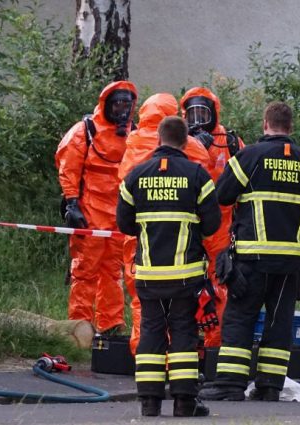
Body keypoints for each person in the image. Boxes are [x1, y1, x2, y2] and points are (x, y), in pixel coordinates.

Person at [199, 101, 300, 402]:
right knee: (279, 322)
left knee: (240, 318)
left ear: (265, 123)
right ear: (290, 126)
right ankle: (270, 386)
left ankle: (230, 385)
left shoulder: (250, 156)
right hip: (290, 261)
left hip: (252, 257)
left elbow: (223, 195)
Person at [116, 116, 221, 417]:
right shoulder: (197, 175)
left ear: (158, 139)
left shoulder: (136, 176)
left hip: (149, 274)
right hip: (186, 275)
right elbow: (213, 224)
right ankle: (184, 403)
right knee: (183, 332)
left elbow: (124, 224)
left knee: (151, 332)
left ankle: (149, 402)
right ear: (186, 141)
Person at [117, 93, 214, 355]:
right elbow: (210, 213)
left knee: (146, 317)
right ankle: (178, 369)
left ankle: (143, 360)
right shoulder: (194, 149)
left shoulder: (133, 142)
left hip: (143, 251)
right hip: (184, 262)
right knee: (182, 325)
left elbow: (123, 217)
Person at [55, 81, 137, 334]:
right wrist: (71, 203)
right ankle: (79, 325)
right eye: (117, 105)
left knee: (113, 271)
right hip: (90, 210)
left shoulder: (134, 134)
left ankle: (110, 323)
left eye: (126, 105)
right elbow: (68, 167)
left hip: (120, 212)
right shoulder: (86, 130)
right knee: (85, 269)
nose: (122, 110)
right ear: (107, 105)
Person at [180, 87, 247, 349]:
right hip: (187, 222)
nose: (198, 120)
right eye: (192, 114)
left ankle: (215, 343)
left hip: (220, 222)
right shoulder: (179, 140)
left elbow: (244, 178)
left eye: (203, 114)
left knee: (220, 279)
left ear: (214, 114)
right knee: (182, 280)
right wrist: (194, 146)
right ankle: (182, 339)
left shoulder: (229, 142)